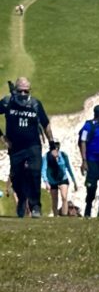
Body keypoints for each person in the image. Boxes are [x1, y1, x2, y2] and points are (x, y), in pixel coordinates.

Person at [0, 77, 53, 218]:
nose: (23, 94)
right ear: (15, 90)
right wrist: (2, 137)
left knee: (35, 173)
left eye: (26, 91)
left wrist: (52, 143)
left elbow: (45, 123)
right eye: (20, 91)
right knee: (16, 178)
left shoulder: (35, 104)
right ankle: (22, 199)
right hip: (15, 148)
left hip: (33, 146)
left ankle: (35, 206)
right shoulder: (7, 102)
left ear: (30, 90)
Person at [42, 140, 77, 216]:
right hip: (52, 180)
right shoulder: (46, 157)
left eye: (57, 146)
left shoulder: (63, 156)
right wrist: (46, 182)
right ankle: (56, 216)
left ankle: (64, 215)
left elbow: (68, 168)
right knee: (54, 200)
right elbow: (43, 170)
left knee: (64, 197)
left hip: (63, 178)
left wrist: (74, 181)